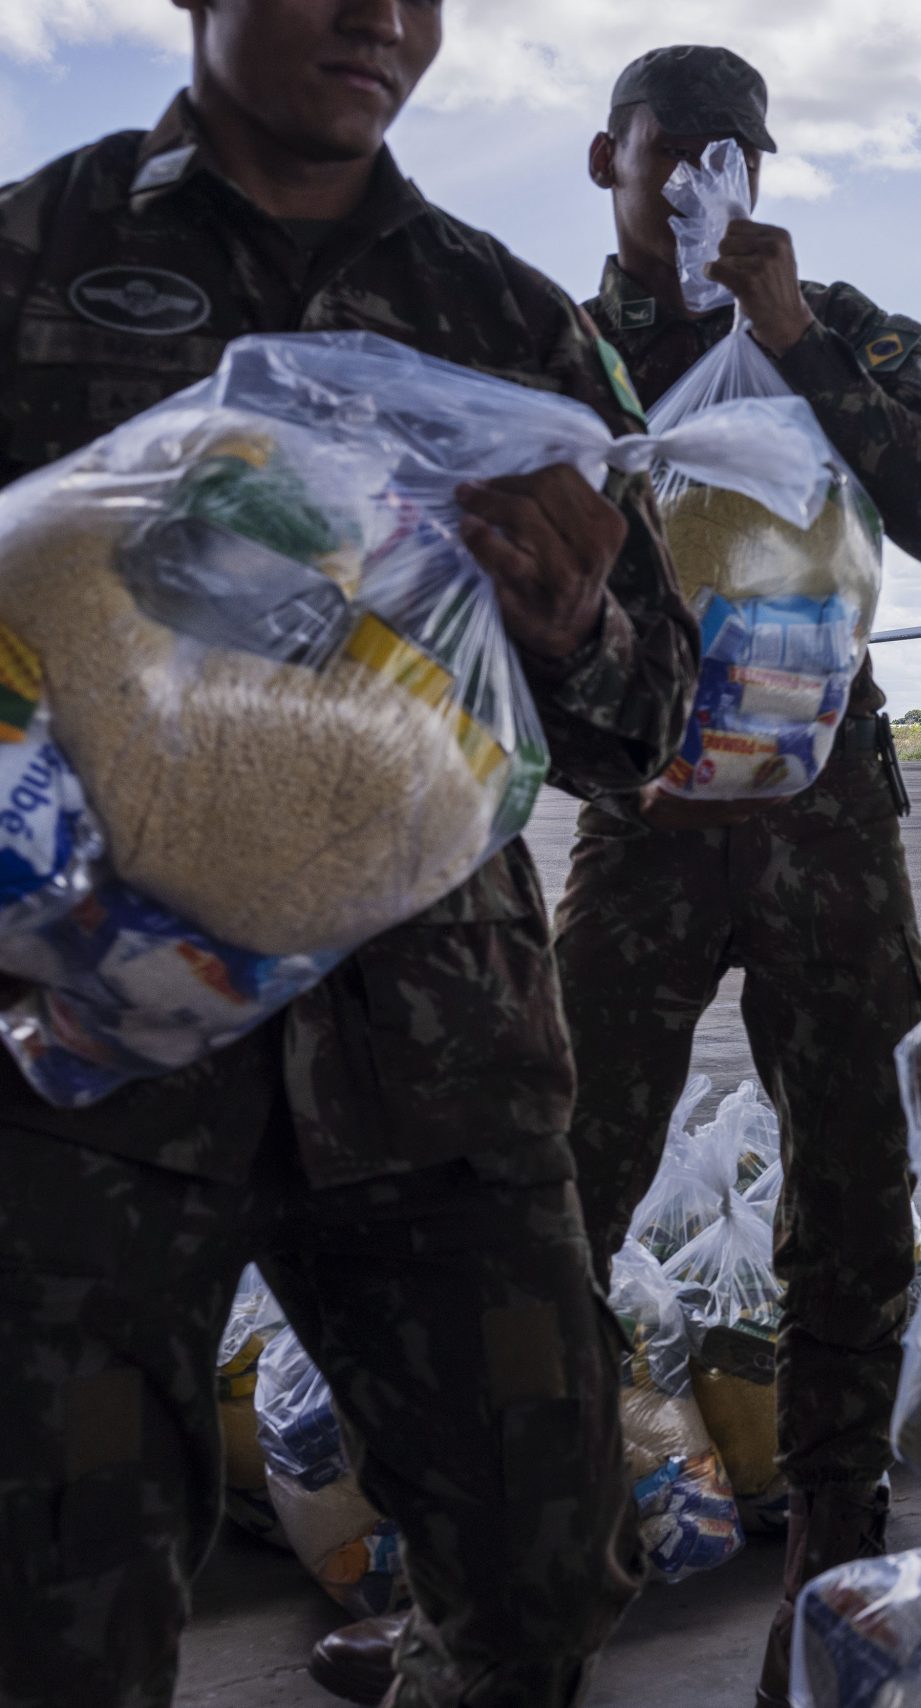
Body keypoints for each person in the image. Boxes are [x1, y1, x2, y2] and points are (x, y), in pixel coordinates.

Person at [0, 2, 701, 1703]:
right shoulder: (32, 257)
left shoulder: (503, 316)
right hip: (88, 1070)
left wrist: (577, 625)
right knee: (56, 1617)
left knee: (544, 1574)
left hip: (432, 1059)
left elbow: (652, 723)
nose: (379, 15)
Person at [361, 45, 921, 1708]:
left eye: (739, 156)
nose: (709, 183)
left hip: (827, 822)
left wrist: (796, 334)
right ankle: (480, 1589)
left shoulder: (834, 323)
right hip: (643, 827)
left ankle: (832, 1576)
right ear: (601, 162)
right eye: (673, 153)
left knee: (850, 1184)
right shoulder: (547, 346)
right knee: (554, 1186)